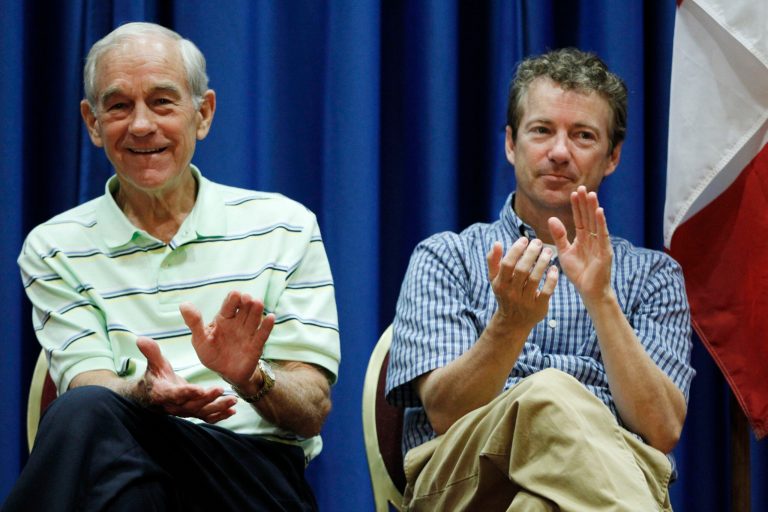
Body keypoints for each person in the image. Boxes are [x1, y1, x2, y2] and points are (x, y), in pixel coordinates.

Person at [3, 22, 340, 511]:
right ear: (93, 124)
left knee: (100, 446)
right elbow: (87, 384)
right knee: (117, 467)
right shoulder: (55, 247)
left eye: (162, 102)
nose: (141, 125)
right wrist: (145, 392)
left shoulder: (284, 226)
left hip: (252, 477)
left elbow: (312, 411)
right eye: (119, 106)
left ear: (202, 114)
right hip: (127, 454)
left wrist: (250, 377)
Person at [386, 48, 694, 511]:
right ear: (512, 144)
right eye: (542, 130)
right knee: (548, 393)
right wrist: (509, 324)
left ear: (612, 157)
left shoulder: (654, 275)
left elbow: (661, 428)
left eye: (583, 136)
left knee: (540, 505)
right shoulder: (445, 257)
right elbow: (447, 414)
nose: (558, 152)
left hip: (606, 477)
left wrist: (602, 299)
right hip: (463, 479)